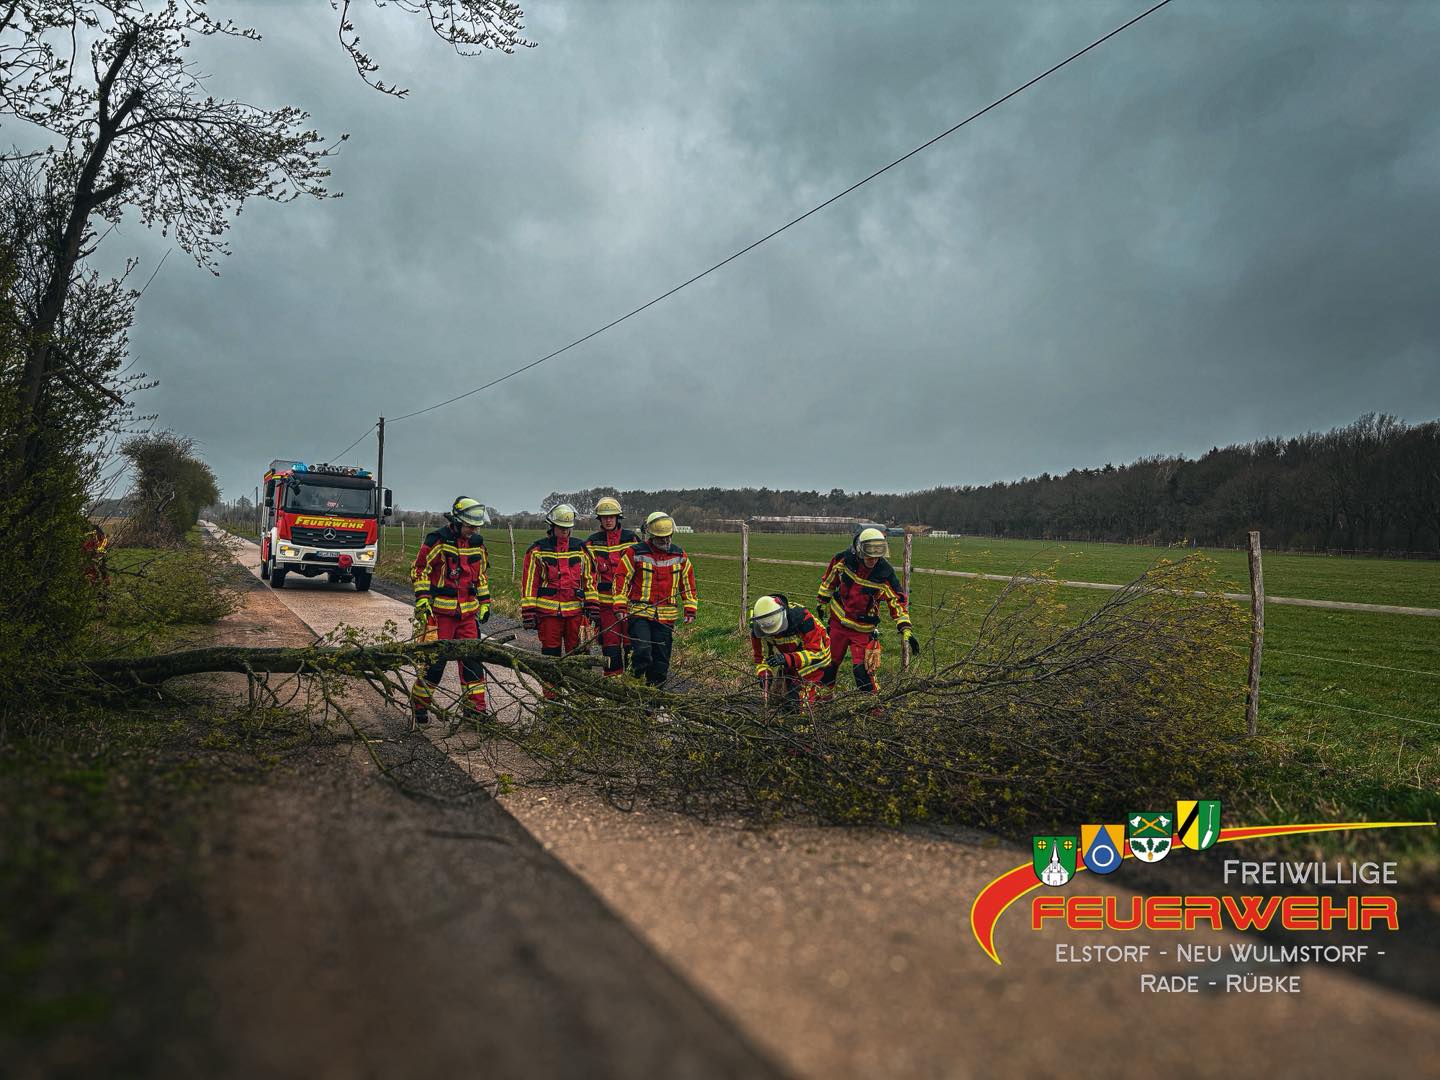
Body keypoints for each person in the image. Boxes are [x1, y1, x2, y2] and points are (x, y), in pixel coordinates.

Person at [410, 497, 491, 726]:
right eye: (469, 526)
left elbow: (481, 576)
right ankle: (420, 705)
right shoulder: (438, 540)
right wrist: (423, 600)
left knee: (473, 665)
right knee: (434, 665)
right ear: (456, 522)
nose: (473, 530)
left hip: (468, 616)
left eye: (476, 526)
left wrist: (485, 602)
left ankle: (475, 711)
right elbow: (420, 570)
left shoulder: (477, 543)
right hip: (440, 614)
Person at [816, 526, 918, 698]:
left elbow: (897, 602)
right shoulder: (843, 560)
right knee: (828, 667)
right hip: (837, 624)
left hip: (863, 630)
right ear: (859, 550)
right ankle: (821, 704)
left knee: (863, 673)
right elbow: (830, 579)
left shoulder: (885, 574)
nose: (873, 560)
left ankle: (874, 709)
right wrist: (822, 601)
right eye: (869, 556)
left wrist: (905, 627)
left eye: (877, 556)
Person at [611, 511, 698, 688]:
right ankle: (633, 684)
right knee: (642, 652)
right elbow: (621, 579)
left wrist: (690, 608)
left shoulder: (679, 555)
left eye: (668, 538)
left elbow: (688, 583)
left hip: (666, 617)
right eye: (661, 539)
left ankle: (653, 701)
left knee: (661, 661)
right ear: (651, 536)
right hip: (640, 614)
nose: (665, 542)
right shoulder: (635, 552)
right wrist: (620, 605)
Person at [521, 503, 587, 698]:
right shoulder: (537, 550)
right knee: (550, 658)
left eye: (568, 528)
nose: (565, 532)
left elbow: (589, 579)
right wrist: (528, 613)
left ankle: (580, 700)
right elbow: (529, 584)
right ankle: (552, 702)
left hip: (575, 613)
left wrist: (592, 606)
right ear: (552, 527)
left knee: (578, 657)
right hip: (548, 614)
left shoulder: (580, 548)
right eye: (561, 528)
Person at [581, 496, 639, 678]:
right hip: (605, 605)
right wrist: (591, 604)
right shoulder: (591, 543)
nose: (608, 520)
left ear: (617, 517)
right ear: (599, 519)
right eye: (604, 517)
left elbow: (639, 570)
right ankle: (612, 689)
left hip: (629, 604)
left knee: (632, 647)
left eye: (611, 516)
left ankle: (631, 686)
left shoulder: (631, 539)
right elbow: (588, 575)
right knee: (610, 648)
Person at [749, 593, 831, 711]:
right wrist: (764, 673)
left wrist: (787, 659)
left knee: (800, 697)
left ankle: (807, 718)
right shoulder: (758, 626)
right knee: (788, 692)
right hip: (789, 657)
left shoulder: (802, 619)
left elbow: (817, 653)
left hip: (816, 659)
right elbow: (760, 658)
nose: (774, 635)